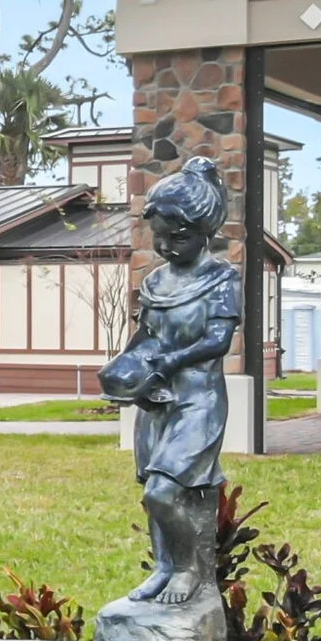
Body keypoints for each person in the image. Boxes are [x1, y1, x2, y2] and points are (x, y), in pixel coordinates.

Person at [101, 157, 238, 606]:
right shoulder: (156, 281)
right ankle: (162, 566)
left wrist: (169, 361)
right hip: (157, 402)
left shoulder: (221, 278)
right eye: (159, 237)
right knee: (150, 494)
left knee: (165, 492)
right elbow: (145, 336)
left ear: (206, 232)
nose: (165, 246)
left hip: (197, 401)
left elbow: (218, 340)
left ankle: (187, 569)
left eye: (177, 236)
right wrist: (124, 372)